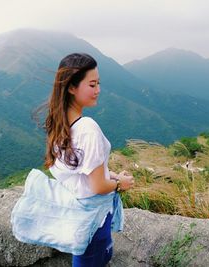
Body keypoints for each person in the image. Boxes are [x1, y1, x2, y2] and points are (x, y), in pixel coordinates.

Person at [42, 53, 135, 266]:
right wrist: (121, 183)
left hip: (79, 218)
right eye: (92, 84)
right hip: (95, 220)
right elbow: (98, 186)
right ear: (72, 87)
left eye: (98, 83)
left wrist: (110, 174)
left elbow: (81, 171)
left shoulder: (59, 122)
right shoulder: (88, 129)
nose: (98, 90)